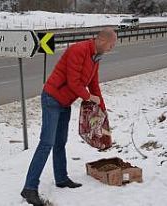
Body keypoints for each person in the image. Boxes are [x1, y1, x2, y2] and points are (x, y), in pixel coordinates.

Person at [21, 27, 117, 206]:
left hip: (65, 102)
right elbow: (73, 83)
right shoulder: (78, 50)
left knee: (60, 142)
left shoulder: (95, 57)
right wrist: (89, 97)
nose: (112, 48)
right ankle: (29, 187)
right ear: (103, 41)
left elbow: (94, 85)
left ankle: (61, 178)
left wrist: (102, 110)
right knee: (46, 143)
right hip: (52, 99)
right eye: (112, 45)